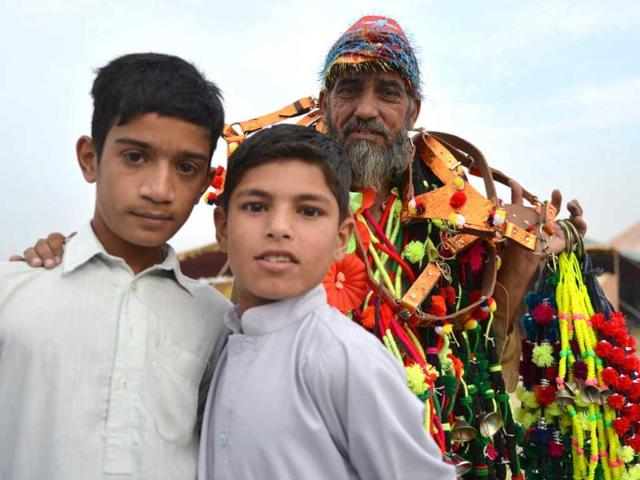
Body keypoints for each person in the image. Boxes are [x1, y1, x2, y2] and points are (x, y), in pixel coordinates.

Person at [0, 53, 231, 480]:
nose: (160, 190)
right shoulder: (12, 293)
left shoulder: (217, 321)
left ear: (204, 183)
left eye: (185, 167)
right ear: (90, 158)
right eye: (136, 157)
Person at [198, 122, 456, 479]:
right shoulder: (221, 343)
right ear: (223, 228)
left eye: (308, 211)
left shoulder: (345, 358)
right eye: (256, 206)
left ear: (341, 238)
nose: (279, 227)